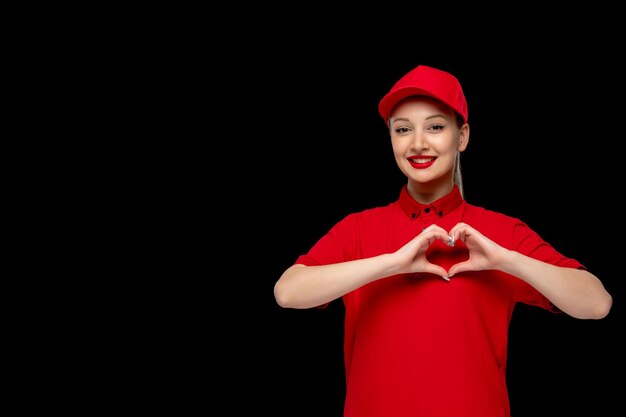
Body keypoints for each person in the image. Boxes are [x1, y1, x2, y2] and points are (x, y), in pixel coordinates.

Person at [273, 64, 613, 417]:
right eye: (403, 129)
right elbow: (288, 292)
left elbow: (596, 303)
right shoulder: (357, 229)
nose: (418, 143)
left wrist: (506, 260)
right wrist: (393, 262)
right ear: (391, 138)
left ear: (462, 136)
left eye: (435, 127)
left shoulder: (500, 232)